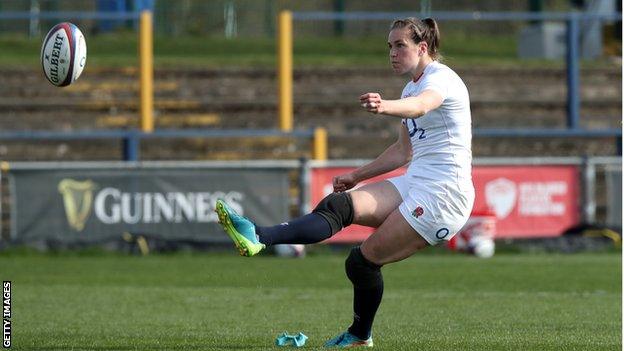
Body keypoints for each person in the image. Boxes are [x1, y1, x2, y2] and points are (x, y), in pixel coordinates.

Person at [215, 17, 474, 348]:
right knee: (339, 205)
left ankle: (359, 337)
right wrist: (357, 176)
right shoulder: (411, 86)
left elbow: (423, 107)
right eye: (389, 46)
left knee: (362, 262)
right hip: (417, 182)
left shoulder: (442, 79)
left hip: (444, 196)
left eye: (400, 46)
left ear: (422, 48)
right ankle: (258, 236)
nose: (392, 53)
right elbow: (402, 151)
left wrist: (384, 107)